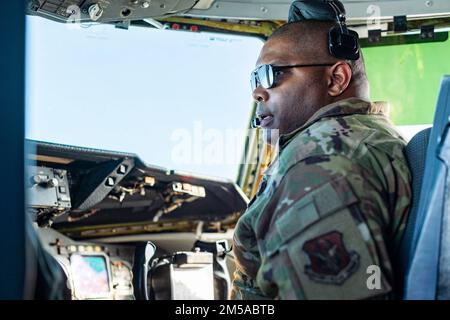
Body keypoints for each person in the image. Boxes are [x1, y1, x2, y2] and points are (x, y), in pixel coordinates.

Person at [231, 17, 412, 299]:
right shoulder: (361, 138)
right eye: (254, 79)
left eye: (271, 74)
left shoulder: (320, 162)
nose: (257, 92)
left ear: (336, 79)